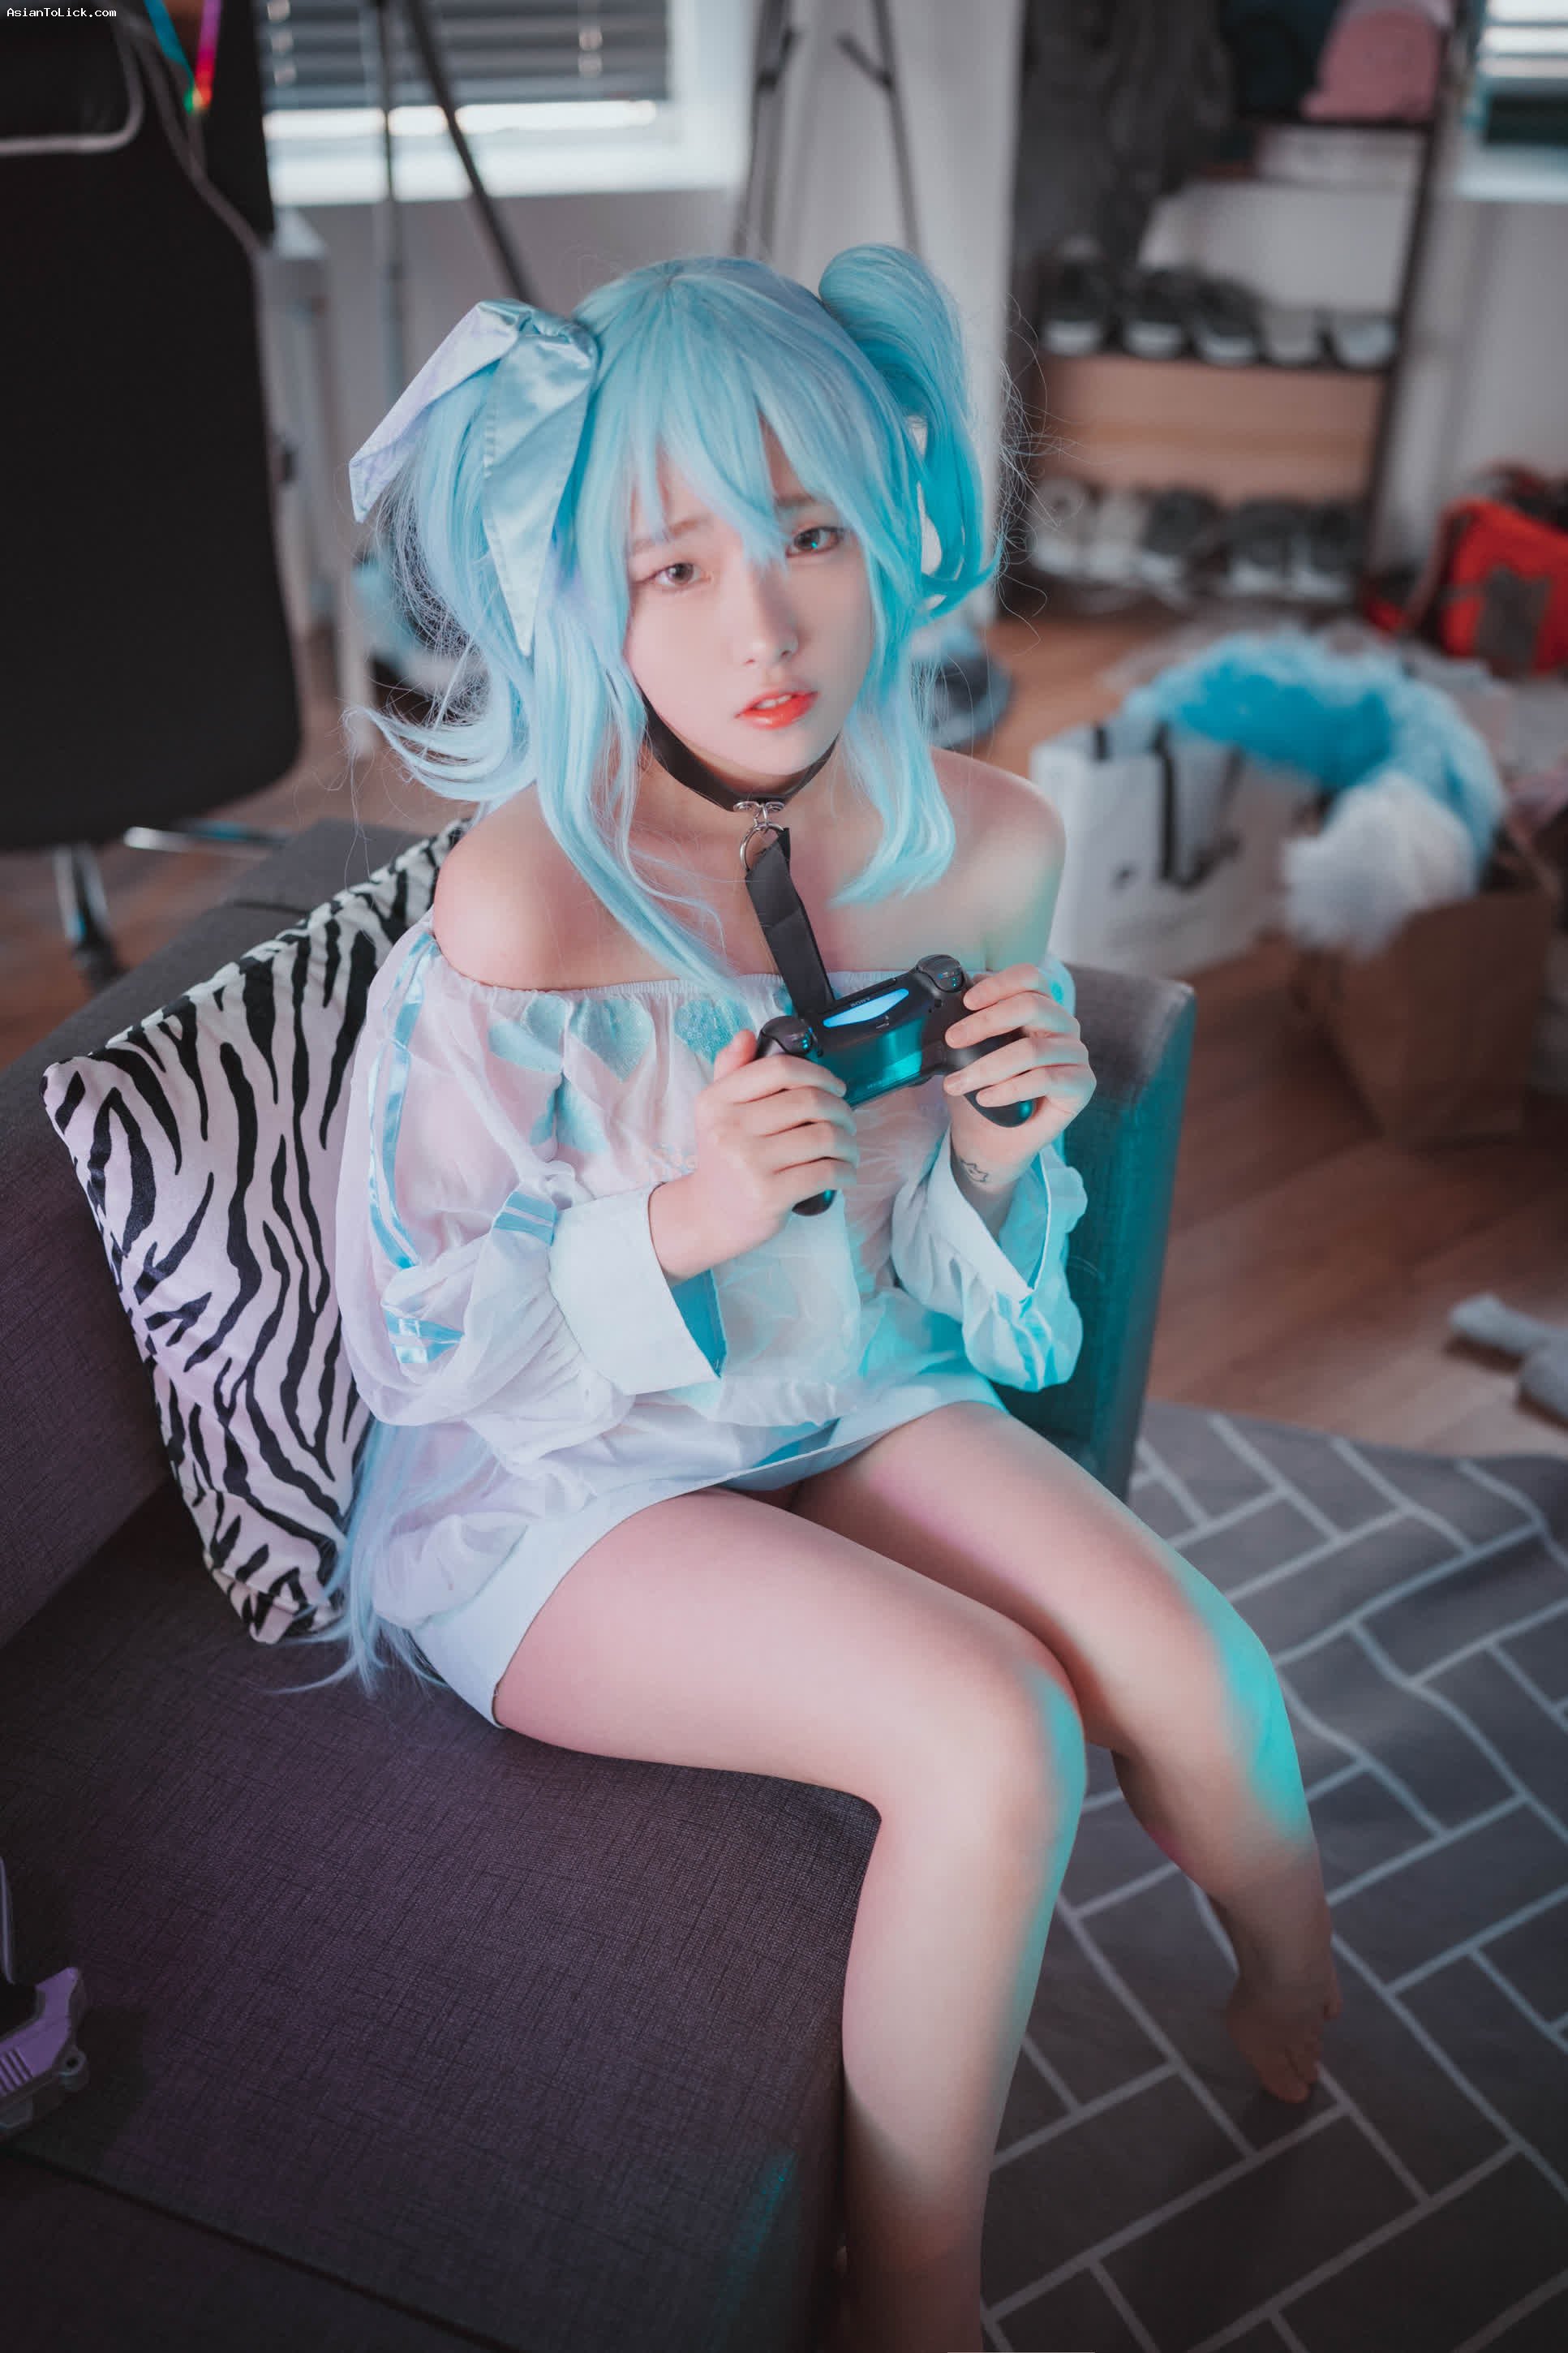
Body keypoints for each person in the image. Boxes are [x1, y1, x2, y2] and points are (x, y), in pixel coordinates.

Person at [288, 247, 1340, 2353]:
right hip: (570, 1477)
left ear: (900, 529)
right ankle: (913, 2293)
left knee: (1201, 1672)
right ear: (587, 594)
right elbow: (411, 1334)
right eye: (673, 567)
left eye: (811, 537)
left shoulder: (992, 844)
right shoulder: (525, 892)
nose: (761, 629)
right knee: (994, 1731)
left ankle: (1296, 1991)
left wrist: (1000, 1147)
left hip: (849, 1382)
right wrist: (674, 1223)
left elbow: (954, 1276)